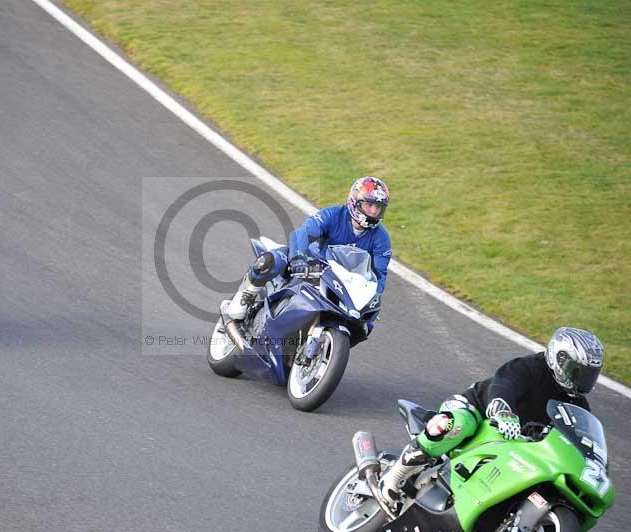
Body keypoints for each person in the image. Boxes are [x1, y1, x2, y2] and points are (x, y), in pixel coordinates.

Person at [380, 327, 605, 505]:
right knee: (457, 423)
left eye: (589, 375)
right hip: (478, 412)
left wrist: (595, 465)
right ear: (560, 359)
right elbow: (504, 385)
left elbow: (582, 441)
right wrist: (503, 410)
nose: (584, 380)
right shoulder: (530, 367)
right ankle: (396, 472)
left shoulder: (578, 405)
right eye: (578, 371)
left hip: (520, 446)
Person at [224, 176, 392, 336]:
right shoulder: (333, 215)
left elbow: (379, 275)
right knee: (272, 260)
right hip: (311, 265)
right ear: (355, 201)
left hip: (343, 281)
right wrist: (298, 258)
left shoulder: (381, 238)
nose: (374, 211)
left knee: (365, 325)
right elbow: (303, 233)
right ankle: (245, 296)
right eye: (369, 205)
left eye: (378, 207)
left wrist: (372, 299)